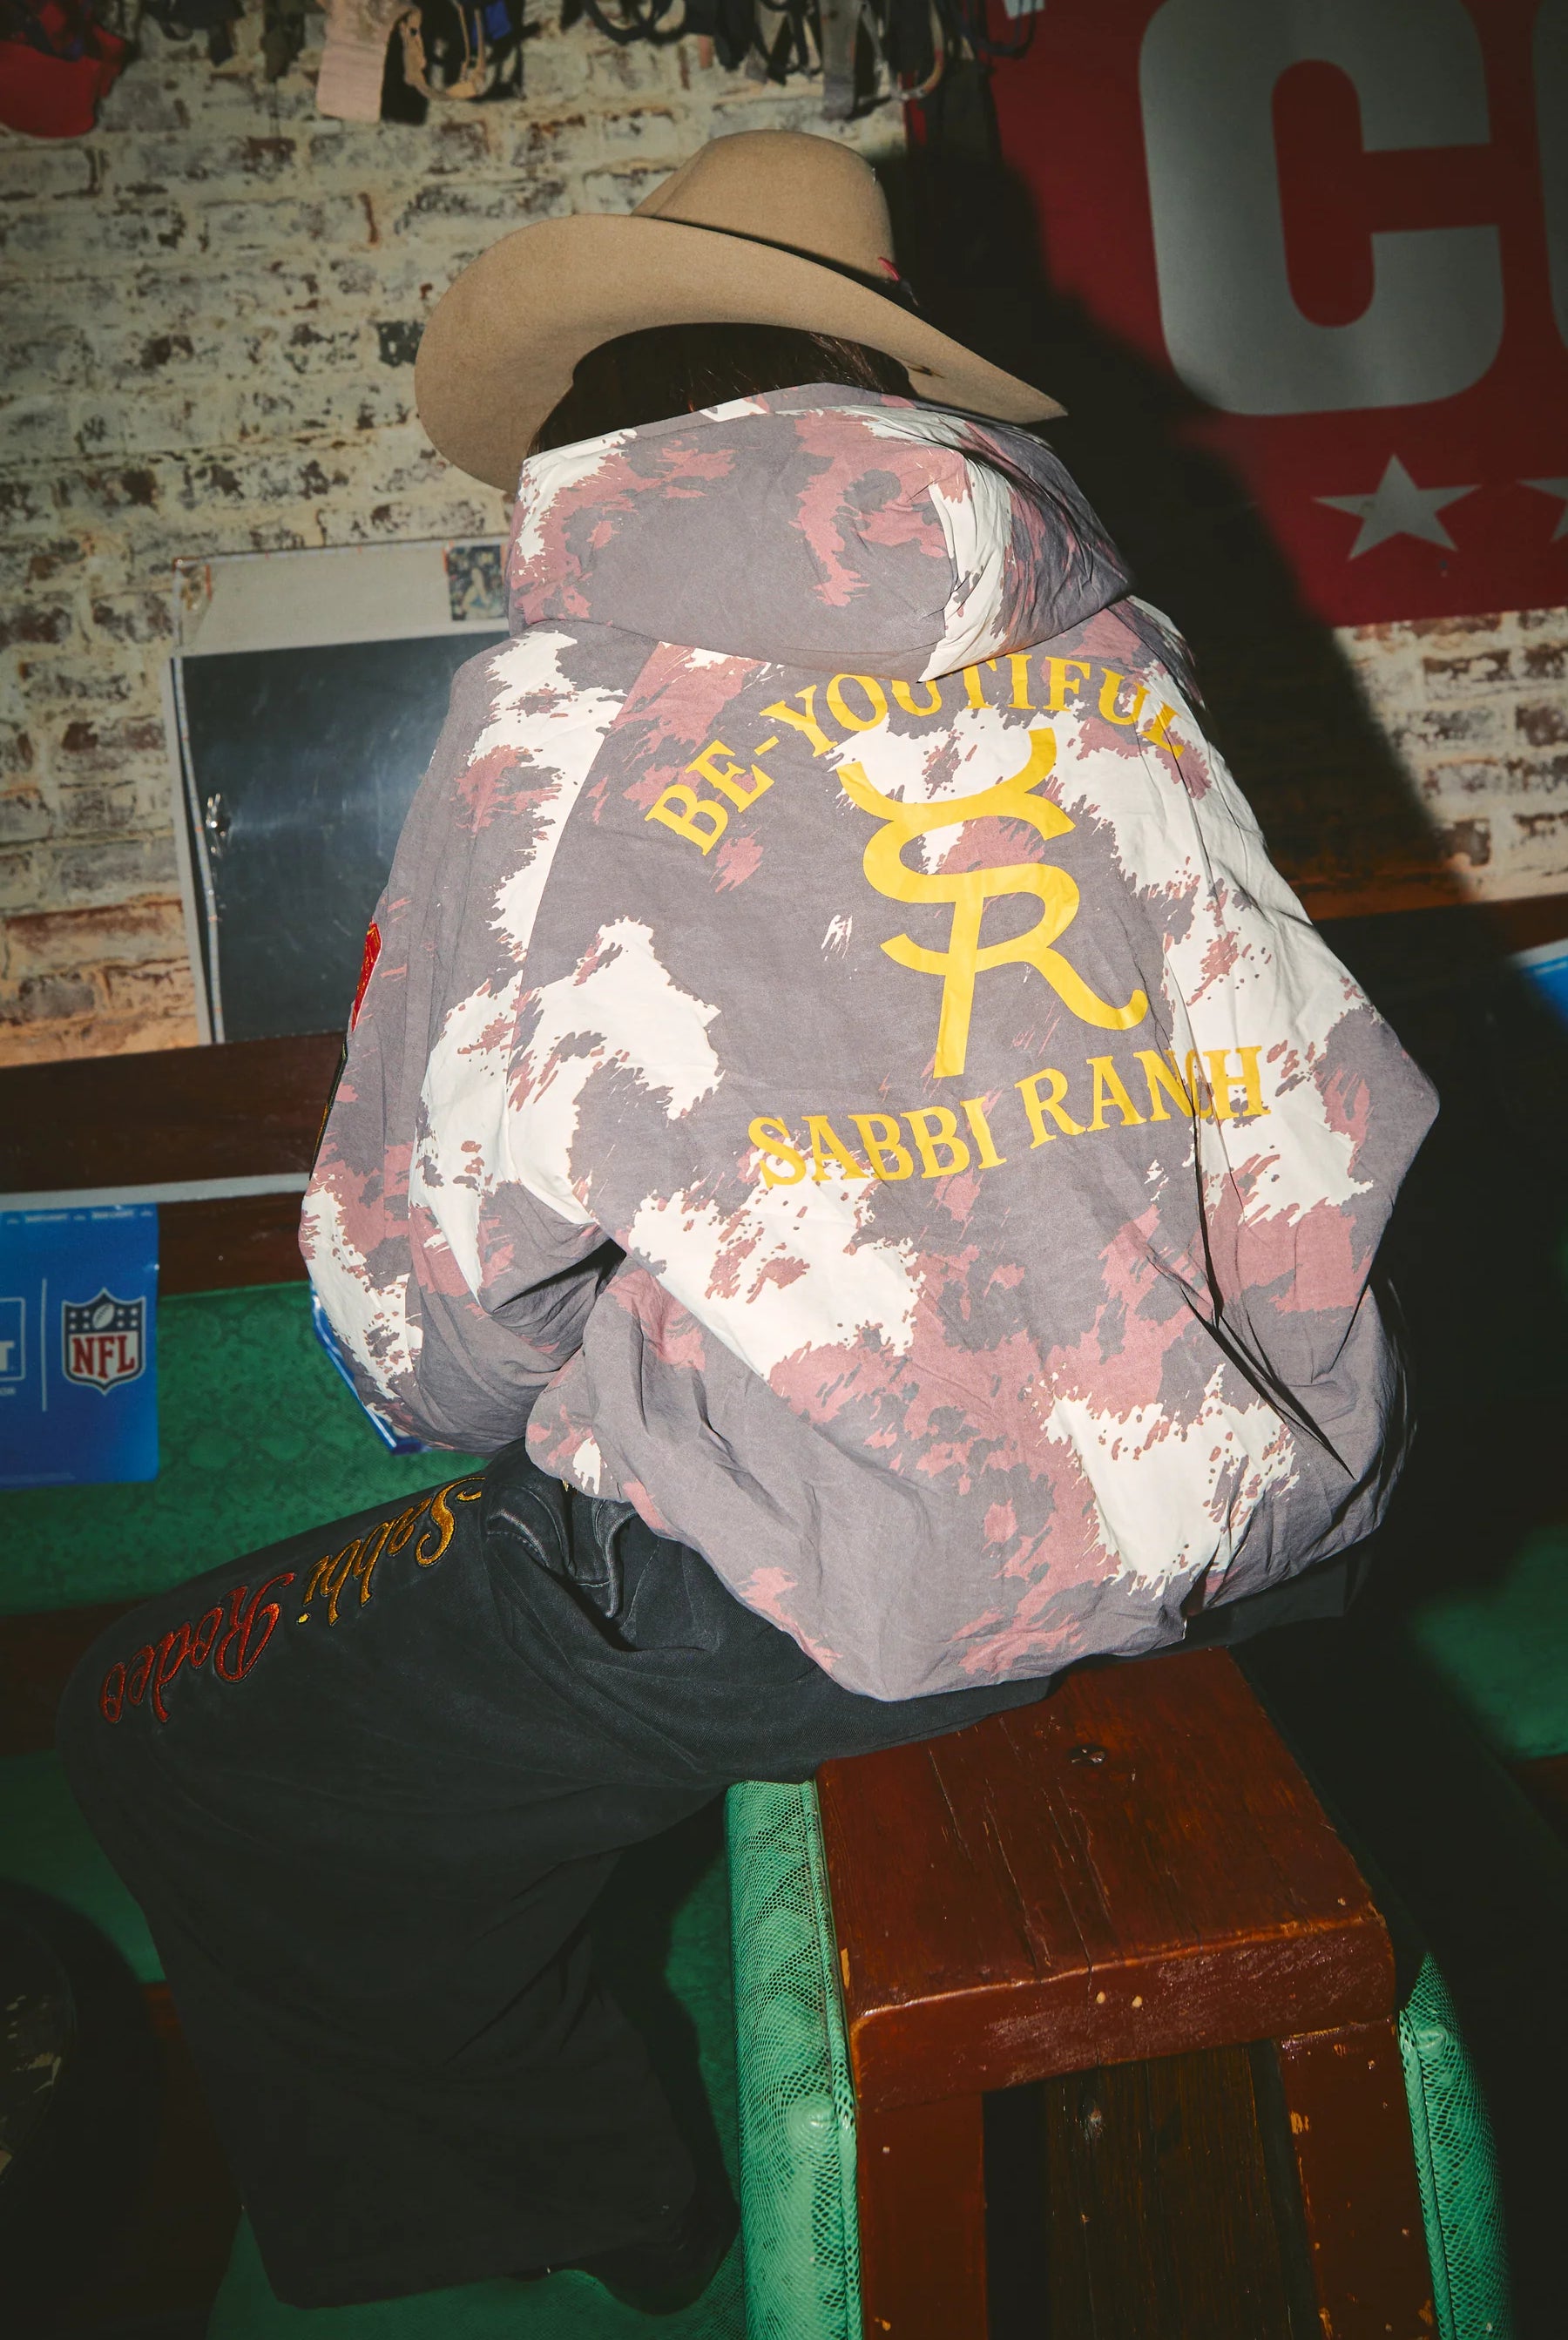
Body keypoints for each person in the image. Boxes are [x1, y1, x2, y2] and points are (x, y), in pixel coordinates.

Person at [58, 130, 1437, 2314]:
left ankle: (587, 2206)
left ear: (615, 410)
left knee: (165, 1725)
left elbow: (434, 1318)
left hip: (829, 1584)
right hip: (1270, 1520)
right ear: (875, 386)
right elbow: (1323, 1100)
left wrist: (589, 1358)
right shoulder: (1122, 657)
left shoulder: (556, 719)